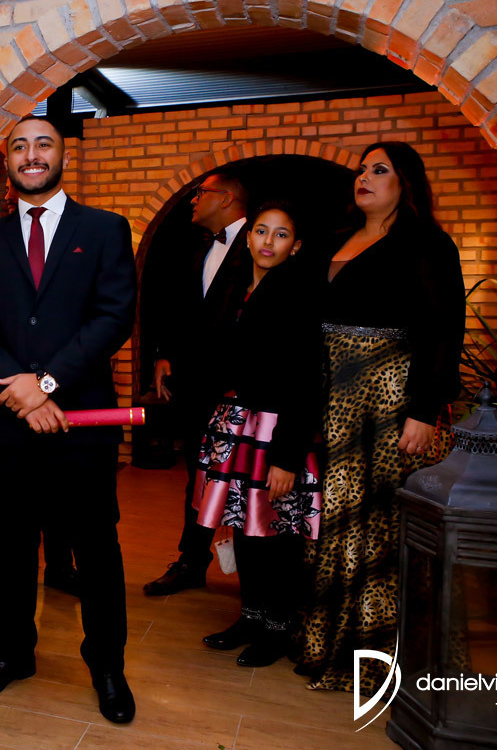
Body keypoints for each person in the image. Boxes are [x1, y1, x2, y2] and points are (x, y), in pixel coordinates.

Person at [0, 115, 138, 723]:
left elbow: (113, 317)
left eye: (43, 144)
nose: (31, 154)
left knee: (96, 548)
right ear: (7, 162)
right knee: (12, 546)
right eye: (19, 146)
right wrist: (22, 392)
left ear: (62, 156)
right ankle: (13, 654)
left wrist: (47, 384)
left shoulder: (105, 229)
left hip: (81, 421)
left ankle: (107, 666)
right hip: (8, 425)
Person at [295, 141, 464, 692]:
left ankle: (385, 658)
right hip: (334, 394)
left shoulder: (427, 242)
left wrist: (424, 410)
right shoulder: (336, 238)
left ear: (404, 182)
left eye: (379, 169)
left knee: (381, 527)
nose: (363, 177)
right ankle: (333, 643)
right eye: (361, 169)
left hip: (389, 397)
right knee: (339, 519)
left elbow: (442, 330)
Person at [191, 202, 323, 667]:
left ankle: (278, 628)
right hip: (235, 421)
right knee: (243, 526)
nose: (268, 241)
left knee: (276, 531)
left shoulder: (301, 294)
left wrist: (287, 456)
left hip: (277, 427)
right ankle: (250, 617)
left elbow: (307, 380)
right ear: (247, 237)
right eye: (261, 231)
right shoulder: (233, 287)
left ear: (296, 246)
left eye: (281, 234)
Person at [144, 172, 253, 596]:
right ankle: (192, 561)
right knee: (199, 475)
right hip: (195, 387)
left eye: (200, 193)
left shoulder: (259, 243)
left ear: (226, 198)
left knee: (247, 482)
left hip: (242, 390)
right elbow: (181, 311)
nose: (193, 200)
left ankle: (259, 581)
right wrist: (164, 355)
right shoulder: (199, 247)